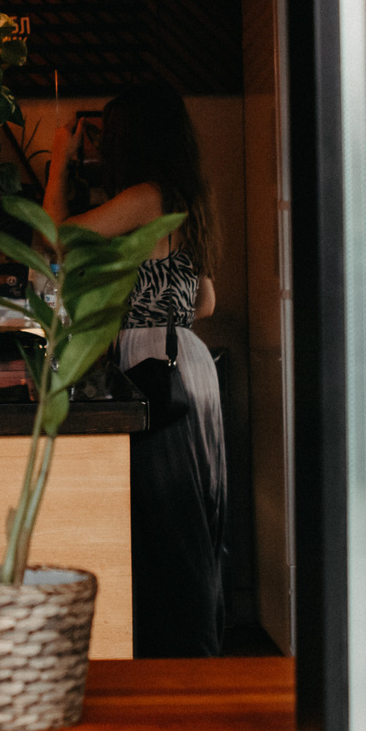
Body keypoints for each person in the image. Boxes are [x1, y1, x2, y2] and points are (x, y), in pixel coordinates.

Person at [46, 82, 227, 657]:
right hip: (187, 362)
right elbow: (207, 302)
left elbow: (57, 240)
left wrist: (58, 163)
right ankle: (194, 655)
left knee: (167, 527)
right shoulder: (182, 197)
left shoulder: (148, 195)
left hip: (154, 365)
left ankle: (183, 661)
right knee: (188, 524)